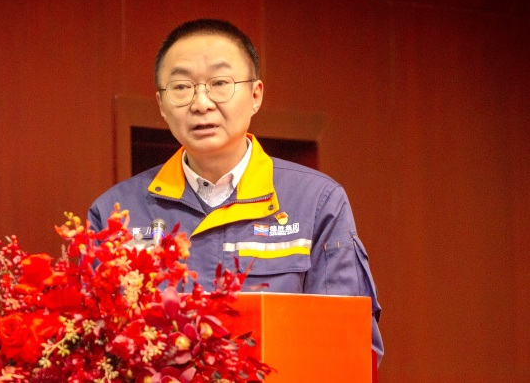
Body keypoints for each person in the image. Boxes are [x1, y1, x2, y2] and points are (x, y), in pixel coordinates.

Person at [88, 19, 383, 363]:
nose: (201, 103)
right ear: (161, 104)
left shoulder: (316, 202)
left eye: (220, 83)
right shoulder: (116, 212)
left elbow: (348, 347)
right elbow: (89, 344)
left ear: (256, 95)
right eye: (181, 87)